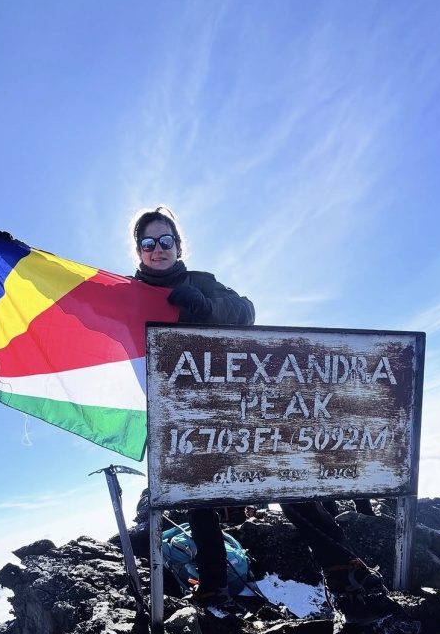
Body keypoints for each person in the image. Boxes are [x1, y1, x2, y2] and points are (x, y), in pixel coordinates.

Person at [131, 206, 384, 604]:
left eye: (166, 241)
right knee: (195, 496)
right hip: (183, 411)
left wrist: (208, 306)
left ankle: (340, 568)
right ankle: (213, 586)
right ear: (139, 251)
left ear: (178, 247)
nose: (157, 249)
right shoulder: (130, 295)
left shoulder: (201, 282)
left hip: (239, 403)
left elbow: (246, 311)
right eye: (149, 243)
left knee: (283, 473)